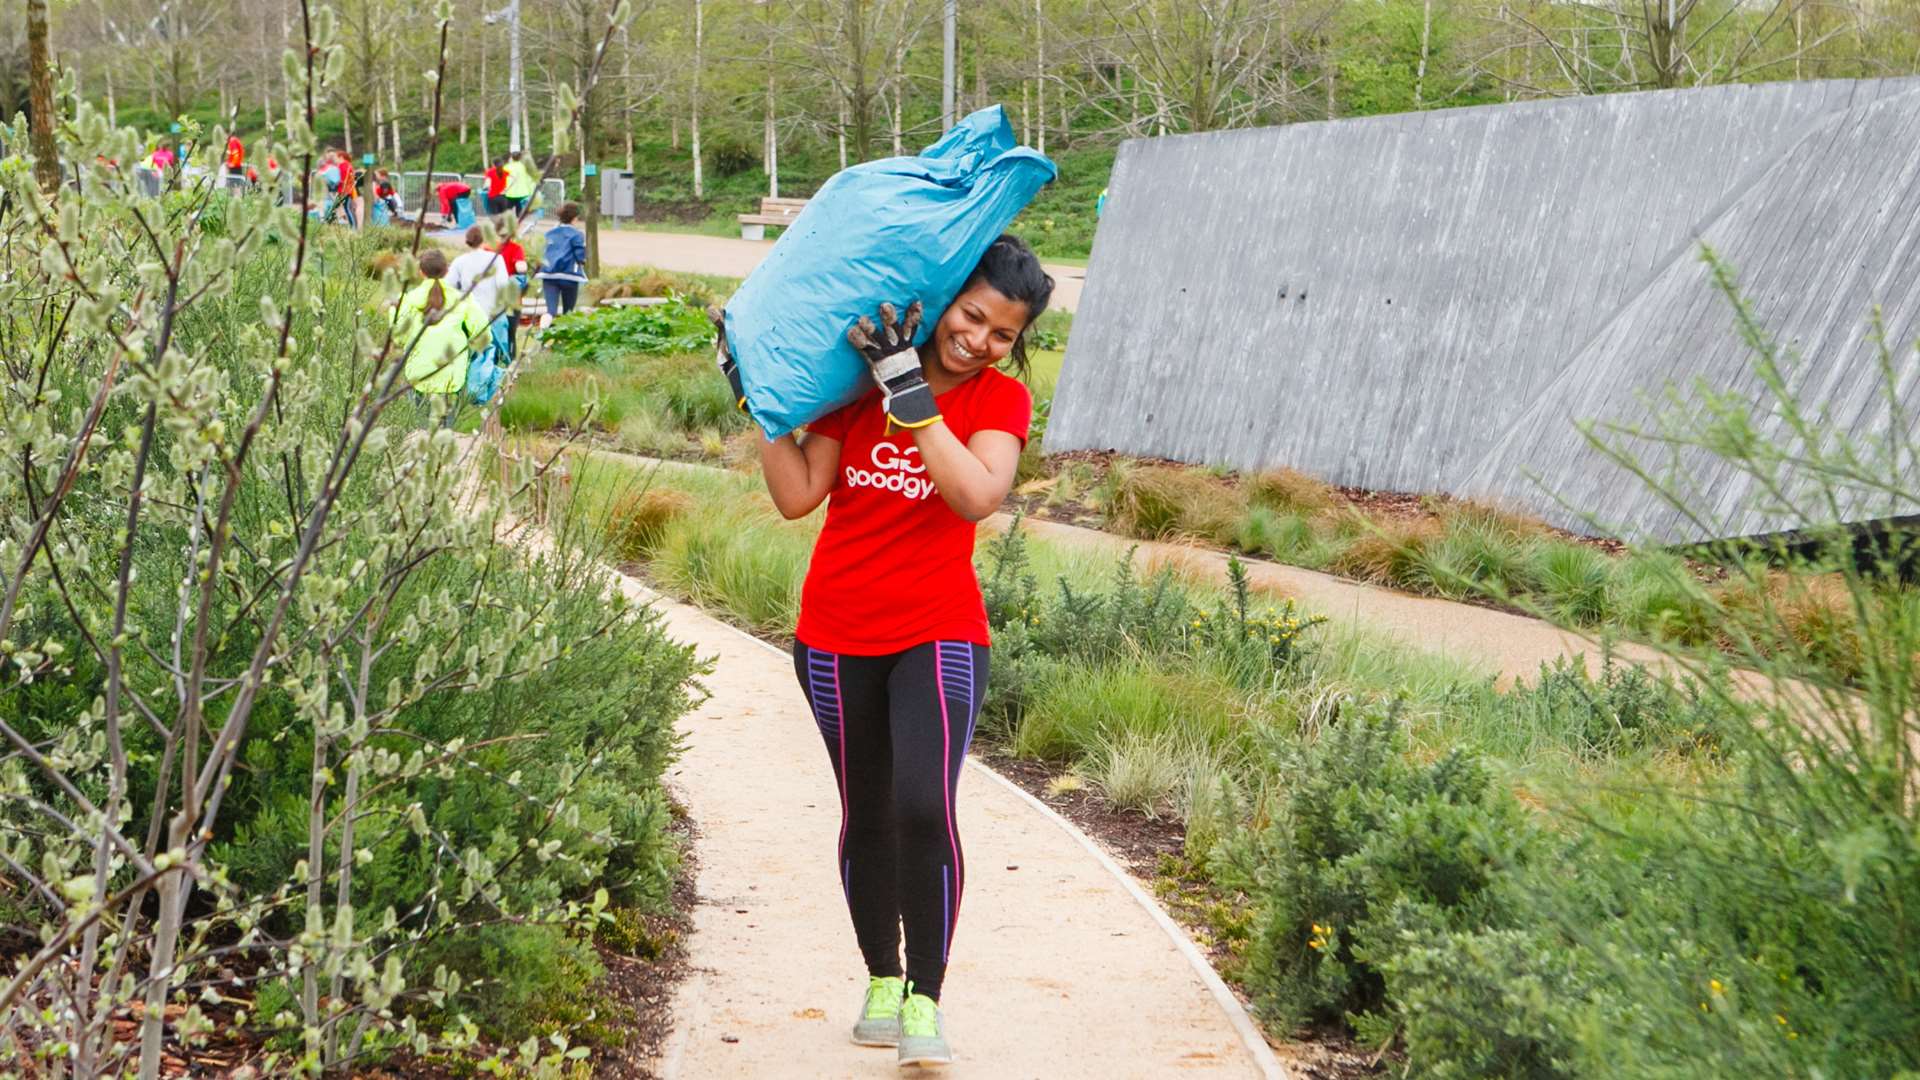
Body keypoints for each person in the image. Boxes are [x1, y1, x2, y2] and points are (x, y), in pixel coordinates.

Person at [740, 235, 1053, 1069]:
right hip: (834, 635)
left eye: (1001, 333)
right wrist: (761, 405)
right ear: (947, 297)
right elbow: (797, 497)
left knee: (922, 804)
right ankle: (881, 979)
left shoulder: (997, 404)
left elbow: (976, 495)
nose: (979, 339)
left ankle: (926, 998)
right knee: (868, 811)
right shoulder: (852, 390)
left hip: (939, 632)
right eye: (973, 314)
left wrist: (910, 392)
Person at [393, 248, 489, 425]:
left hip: (418, 374)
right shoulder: (463, 300)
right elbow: (484, 334)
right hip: (451, 376)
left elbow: (398, 337)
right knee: (445, 434)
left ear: (421, 272)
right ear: (447, 270)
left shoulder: (407, 300)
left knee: (418, 431)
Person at [533, 202, 587, 326]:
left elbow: (542, 252)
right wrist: (582, 261)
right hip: (569, 275)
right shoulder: (577, 234)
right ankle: (564, 337)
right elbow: (580, 255)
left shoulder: (550, 233)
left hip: (549, 274)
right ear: (575, 218)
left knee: (550, 310)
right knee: (568, 311)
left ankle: (544, 329)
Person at [493, 217, 530, 360]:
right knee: (511, 332)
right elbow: (521, 268)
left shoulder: (489, 248)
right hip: (512, 298)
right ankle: (510, 362)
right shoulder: (516, 249)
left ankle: (494, 360)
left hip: (492, 298)